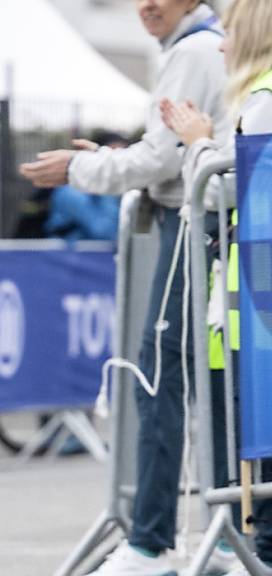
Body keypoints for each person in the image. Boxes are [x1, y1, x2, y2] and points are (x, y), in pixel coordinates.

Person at [19, 0, 232, 574]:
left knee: (159, 377)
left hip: (191, 226)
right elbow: (165, 154)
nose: (146, 5)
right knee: (211, 383)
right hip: (202, 223)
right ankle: (231, 534)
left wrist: (80, 170)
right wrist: (115, 158)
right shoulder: (202, 45)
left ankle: (153, 543)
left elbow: (161, 160)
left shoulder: (192, 50)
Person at [161, 0, 272, 572]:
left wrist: (199, 142)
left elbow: (223, 191)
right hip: (251, 309)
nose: (221, 46)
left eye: (228, 33)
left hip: (257, 316)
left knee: (265, 475)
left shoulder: (261, 103)